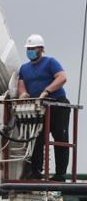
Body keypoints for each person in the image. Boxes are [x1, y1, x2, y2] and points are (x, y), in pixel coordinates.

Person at [18, 34, 70, 181]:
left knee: (60, 137)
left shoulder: (50, 62)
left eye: (32, 49)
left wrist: (47, 91)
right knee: (37, 138)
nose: (30, 51)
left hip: (57, 103)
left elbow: (62, 77)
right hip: (39, 107)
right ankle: (36, 171)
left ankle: (60, 174)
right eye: (28, 49)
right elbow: (21, 85)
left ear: (40, 49)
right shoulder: (24, 68)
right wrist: (23, 94)